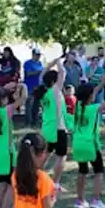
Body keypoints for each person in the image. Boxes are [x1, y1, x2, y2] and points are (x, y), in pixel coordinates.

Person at [71, 79, 105, 208]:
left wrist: (101, 84)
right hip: (90, 144)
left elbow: (89, 92)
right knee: (99, 171)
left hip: (77, 143)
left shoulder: (77, 106)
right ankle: (96, 199)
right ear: (90, 96)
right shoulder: (94, 108)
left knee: (82, 171)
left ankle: (79, 200)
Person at [35, 56, 68, 191]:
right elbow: (63, 73)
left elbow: (42, 75)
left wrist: (51, 64)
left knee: (45, 155)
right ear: (54, 81)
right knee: (61, 157)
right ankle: (55, 183)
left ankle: (36, 177)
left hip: (47, 128)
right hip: (58, 128)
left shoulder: (43, 91)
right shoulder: (55, 90)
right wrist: (59, 61)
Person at [23, 48, 44, 126]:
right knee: (29, 105)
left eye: (39, 55)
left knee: (36, 105)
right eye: (36, 55)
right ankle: (28, 122)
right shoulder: (28, 63)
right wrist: (39, 72)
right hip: (29, 86)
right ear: (33, 55)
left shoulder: (40, 63)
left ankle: (35, 121)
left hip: (38, 87)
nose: (38, 57)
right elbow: (28, 73)